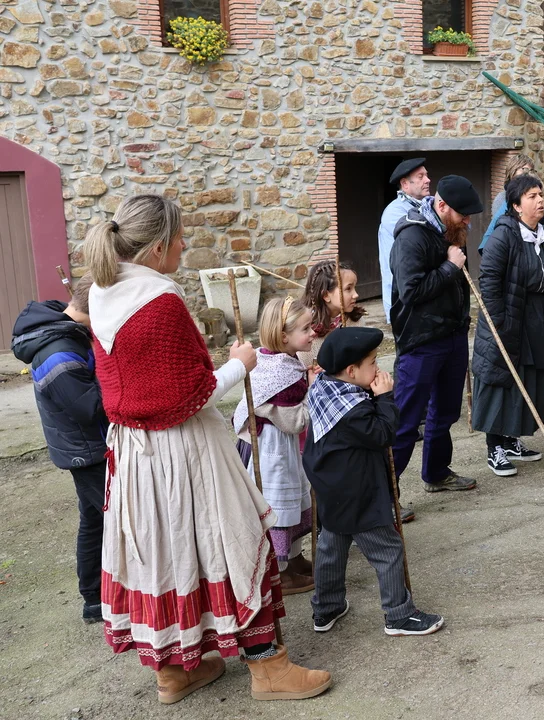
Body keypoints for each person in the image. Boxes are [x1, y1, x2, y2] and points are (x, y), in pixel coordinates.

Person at [84, 194, 331, 704]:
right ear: (157, 247)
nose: (183, 246)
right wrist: (241, 363)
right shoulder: (159, 300)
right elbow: (189, 395)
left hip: (135, 455)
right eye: (178, 238)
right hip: (183, 449)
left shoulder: (102, 292)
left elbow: (150, 385)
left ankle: (174, 673)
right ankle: (269, 669)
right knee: (232, 540)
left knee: (166, 552)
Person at [305, 327, 444, 637]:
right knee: (387, 549)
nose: (378, 368)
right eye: (372, 362)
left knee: (331, 547)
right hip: (358, 492)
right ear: (351, 371)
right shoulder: (352, 410)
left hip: (331, 487)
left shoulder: (325, 388)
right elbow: (383, 433)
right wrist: (384, 398)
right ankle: (399, 615)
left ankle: (326, 607)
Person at [11, 274, 107, 624]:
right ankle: (103, 598)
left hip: (87, 445)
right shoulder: (58, 353)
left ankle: (94, 599)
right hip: (87, 450)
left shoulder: (66, 330)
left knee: (95, 520)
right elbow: (88, 408)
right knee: (115, 521)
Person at [390, 175, 483, 493]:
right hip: (419, 340)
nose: (468, 221)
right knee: (406, 420)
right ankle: (386, 495)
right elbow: (410, 292)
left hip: (452, 335)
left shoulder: (453, 230)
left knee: (445, 412)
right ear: (442, 205)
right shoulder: (411, 235)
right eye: (463, 214)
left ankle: (436, 473)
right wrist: (448, 268)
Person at [472, 174, 544, 476]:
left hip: (536, 319)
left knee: (527, 380)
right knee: (503, 381)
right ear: (516, 205)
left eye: (541, 194)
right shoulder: (504, 235)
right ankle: (494, 447)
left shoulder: (543, 235)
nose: (540, 200)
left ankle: (511, 440)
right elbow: (489, 282)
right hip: (509, 319)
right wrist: (499, 323)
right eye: (532, 196)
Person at [234, 296, 317, 595]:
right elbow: (296, 421)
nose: (313, 333)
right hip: (271, 454)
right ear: (283, 336)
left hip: (280, 448)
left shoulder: (270, 359)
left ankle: (293, 558)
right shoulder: (282, 376)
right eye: (306, 329)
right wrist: (312, 390)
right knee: (279, 506)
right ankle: (281, 573)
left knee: (293, 502)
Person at [379, 158, 430, 323]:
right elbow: (427, 238)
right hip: (402, 293)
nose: (428, 180)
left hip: (423, 289)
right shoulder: (394, 212)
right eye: (421, 177)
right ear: (405, 184)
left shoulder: (428, 205)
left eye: (426, 175)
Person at [296, 259, 362, 371]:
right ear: (326, 295)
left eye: (354, 287)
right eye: (348, 289)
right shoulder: (307, 333)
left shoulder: (355, 321)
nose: (356, 295)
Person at [479, 153, 535, 253]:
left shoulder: (533, 195)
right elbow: (500, 229)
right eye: (524, 169)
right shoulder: (502, 198)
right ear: (512, 172)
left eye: (531, 171)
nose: (528, 174)